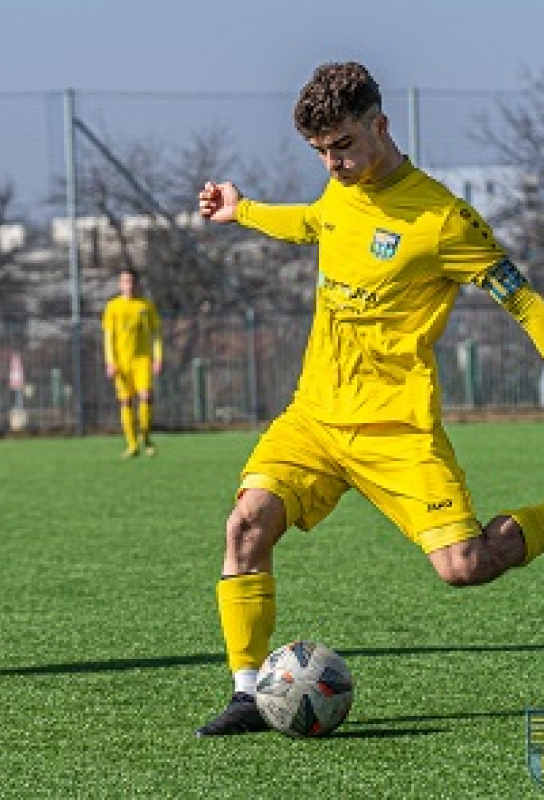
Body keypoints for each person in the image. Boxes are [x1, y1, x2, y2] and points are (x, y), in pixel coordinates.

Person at [195, 61, 544, 736]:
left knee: (466, 567)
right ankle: (247, 693)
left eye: (344, 146)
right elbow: (311, 223)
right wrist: (242, 211)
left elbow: (522, 300)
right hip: (315, 418)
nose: (334, 163)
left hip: (396, 430)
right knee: (246, 524)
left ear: (380, 125)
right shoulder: (337, 193)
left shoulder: (444, 219)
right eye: (322, 152)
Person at [102, 267, 163, 458]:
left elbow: (156, 334)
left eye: (132, 281)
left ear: (137, 284)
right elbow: (108, 337)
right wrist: (111, 362)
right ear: (120, 284)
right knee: (126, 401)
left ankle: (146, 438)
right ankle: (132, 444)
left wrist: (158, 357)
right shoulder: (113, 307)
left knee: (145, 396)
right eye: (125, 281)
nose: (129, 285)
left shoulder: (145, 306)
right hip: (121, 362)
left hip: (142, 360)